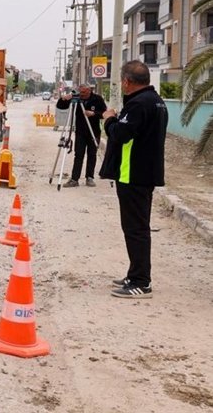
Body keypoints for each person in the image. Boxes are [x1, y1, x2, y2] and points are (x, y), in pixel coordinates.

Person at [99, 61, 168, 299]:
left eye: (122, 81)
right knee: (135, 227)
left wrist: (109, 119)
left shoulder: (139, 104)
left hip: (134, 175)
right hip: (144, 172)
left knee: (136, 229)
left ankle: (141, 282)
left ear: (127, 81)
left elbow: (119, 134)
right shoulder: (157, 101)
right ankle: (134, 273)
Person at [56, 82, 107, 187]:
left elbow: (104, 113)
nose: (81, 94)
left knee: (92, 155)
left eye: (83, 92)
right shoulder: (76, 97)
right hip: (80, 132)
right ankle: (74, 179)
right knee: (78, 155)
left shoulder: (97, 99)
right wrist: (64, 98)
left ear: (89, 91)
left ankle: (90, 177)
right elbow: (61, 106)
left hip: (94, 131)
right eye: (80, 92)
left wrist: (93, 114)